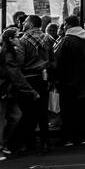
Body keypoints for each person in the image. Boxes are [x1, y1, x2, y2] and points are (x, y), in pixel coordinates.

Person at [0, 27, 37, 163]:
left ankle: (2, 145)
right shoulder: (7, 53)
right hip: (2, 91)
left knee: (15, 116)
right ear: (10, 39)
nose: (18, 39)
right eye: (16, 37)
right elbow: (16, 74)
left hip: (3, 90)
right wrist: (31, 91)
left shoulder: (0, 50)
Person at [54, 14, 85, 147]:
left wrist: (57, 80)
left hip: (68, 83)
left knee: (68, 112)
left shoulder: (66, 40)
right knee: (81, 112)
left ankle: (67, 138)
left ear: (68, 25)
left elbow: (58, 62)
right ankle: (81, 137)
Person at [17, 14, 52, 153]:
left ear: (30, 24)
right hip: (43, 78)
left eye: (25, 22)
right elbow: (53, 59)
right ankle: (45, 143)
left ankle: (29, 143)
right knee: (43, 112)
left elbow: (20, 61)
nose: (23, 24)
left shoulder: (23, 40)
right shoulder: (48, 38)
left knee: (28, 112)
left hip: (28, 79)